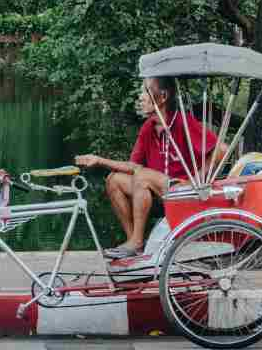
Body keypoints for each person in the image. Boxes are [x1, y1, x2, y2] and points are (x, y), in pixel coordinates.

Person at [74, 77, 226, 259]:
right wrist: (99, 160)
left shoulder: (182, 122)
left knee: (142, 176)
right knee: (114, 179)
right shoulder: (149, 127)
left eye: (145, 91)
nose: (140, 97)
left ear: (162, 96)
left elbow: (222, 150)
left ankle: (137, 241)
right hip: (157, 189)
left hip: (182, 190)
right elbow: (133, 166)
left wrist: (196, 179)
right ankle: (133, 242)